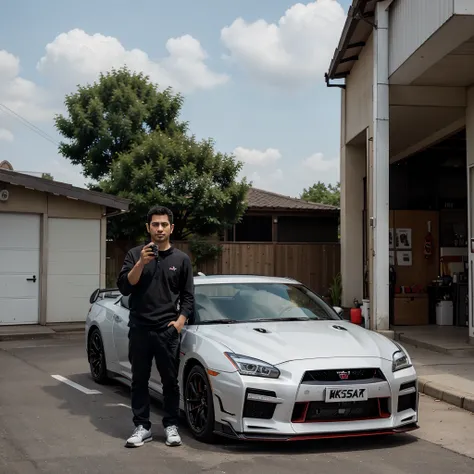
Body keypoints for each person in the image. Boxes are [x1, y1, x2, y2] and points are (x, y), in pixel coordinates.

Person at [116, 205, 194, 448]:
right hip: (139, 328)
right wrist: (140, 262)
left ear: (171, 228)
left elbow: (188, 297)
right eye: (155, 224)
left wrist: (179, 323)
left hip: (167, 331)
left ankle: (171, 425)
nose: (159, 229)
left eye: (163, 224)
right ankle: (143, 427)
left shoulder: (181, 259)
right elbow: (125, 287)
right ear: (148, 227)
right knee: (139, 379)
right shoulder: (134, 254)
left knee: (170, 381)